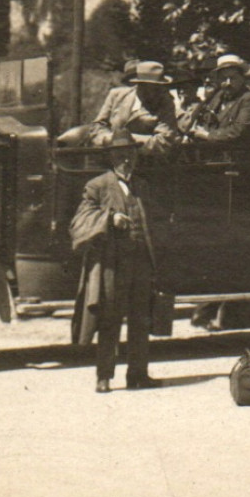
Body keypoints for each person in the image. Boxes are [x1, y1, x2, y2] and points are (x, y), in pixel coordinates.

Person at [69, 131, 160, 394]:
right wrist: (109, 219)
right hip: (113, 265)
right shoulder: (97, 186)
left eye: (130, 154)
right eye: (120, 155)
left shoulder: (142, 186)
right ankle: (104, 377)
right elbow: (79, 223)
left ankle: (138, 375)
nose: (126, 160)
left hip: (141, 262)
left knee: (140, 319)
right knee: (110, 319)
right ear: (111, 158)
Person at [58, 59, 178, 149]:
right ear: (141, 84)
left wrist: (126, 140)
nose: (159, 91)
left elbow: (164, 141)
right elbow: (98, 126)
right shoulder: (117, 95)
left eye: (160, 86)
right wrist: (105, 139)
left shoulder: (166, 103)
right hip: (107, 156)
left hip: (142, 163)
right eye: (154, 86)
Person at [188, 53, 250, 148]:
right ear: (218, 80)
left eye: (233, 78)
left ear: (242, 79)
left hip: (239, 156)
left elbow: (238, 131)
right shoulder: (217, 97)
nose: (228, 83)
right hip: (215, 153)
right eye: (224, 78)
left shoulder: (249, 99)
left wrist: (207, 135)